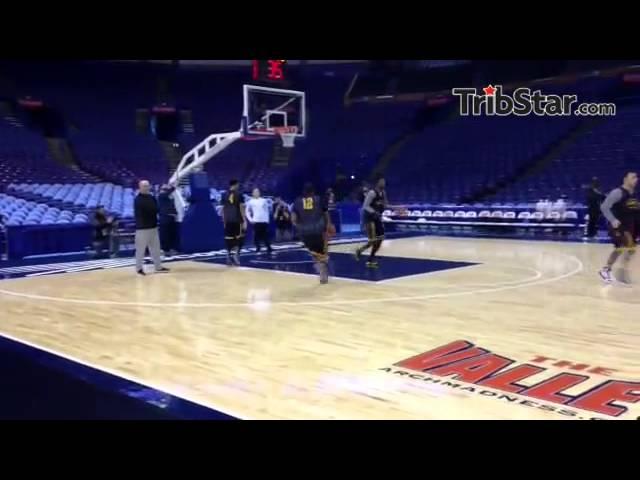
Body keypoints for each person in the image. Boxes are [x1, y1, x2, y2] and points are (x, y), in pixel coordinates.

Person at [598, 171, 639, 284]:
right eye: (633, 177)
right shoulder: (618, 192)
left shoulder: (633, 194)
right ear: (625, 179)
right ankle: (606, 270)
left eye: (636, 178)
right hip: (620, 226)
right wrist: (612, 220)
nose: (636, 179)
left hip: (631, 227)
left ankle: (619, 272)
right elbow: (604, 207)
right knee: (621, 248)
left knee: (630, 250)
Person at [291, 182, 333, 284]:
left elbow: (293, 220)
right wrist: (329, 225)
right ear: (313, 191)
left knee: (315, 252)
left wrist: (300, 228)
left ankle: (320, 268)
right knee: (323, 252)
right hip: (318, 230)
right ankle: (323, 271)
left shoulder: (296, 202)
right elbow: (326, 213)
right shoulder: (319, 199)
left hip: (305, 232)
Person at [134, 180, 169, 276]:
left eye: (147, 186)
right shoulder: (138, 199)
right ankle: (139, 269)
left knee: (156, 249)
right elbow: (151, 209)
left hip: (153, 227)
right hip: (142, 229)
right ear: (140, 187)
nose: (146, 187)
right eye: (144, 186)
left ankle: (158, 267)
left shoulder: (152, 197)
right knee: (140, 250)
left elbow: (157, 209)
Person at [354, 175, 387, 268]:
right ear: (377, 183)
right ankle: (360, 252)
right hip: (369, 217)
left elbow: (386, 204)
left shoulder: (383, 193)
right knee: (372, 240)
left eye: (384, 181)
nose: (383, 183)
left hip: (376, 217)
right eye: (382, 181)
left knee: (380, 238)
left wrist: (397, 208)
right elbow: (365, 206)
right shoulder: (372, 192)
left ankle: (370, 259)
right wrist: (374, 212)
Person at [222, 179, 247, 266]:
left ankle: (228, 256)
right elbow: (241, 208)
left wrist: (224, 220)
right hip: (237, 220)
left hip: (228, 220)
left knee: (229, 239)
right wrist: (244, 220)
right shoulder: (239, 194)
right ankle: (235, 256)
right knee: (238, 239)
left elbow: (223, 209)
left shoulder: (224, 195)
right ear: (236, 185)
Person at [246, 188, 273, 255]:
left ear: (259, 193)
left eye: (257, 192)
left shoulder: (264, 200)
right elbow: (247, 211)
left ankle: (269, 249)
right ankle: (258, 249)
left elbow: (267, 211)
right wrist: (250, 220)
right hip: (256, 221)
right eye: (255, 192)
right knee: (256, 236)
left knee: (265, 236)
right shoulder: (250, 201)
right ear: (252, 193)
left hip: (264, 221)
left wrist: (267, 220)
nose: (256, 193)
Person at [158, 184, 179, 255]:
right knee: (165, 235)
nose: (166, 191)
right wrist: (172, 186)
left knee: (171, 234)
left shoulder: (168, 198)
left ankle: (170, 249)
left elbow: (172, 206)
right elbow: (171, 190)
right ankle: (165, 249)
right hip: (165, 219)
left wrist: (175, 213)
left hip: (171, 218)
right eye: (165, 189)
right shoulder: (161, 196)